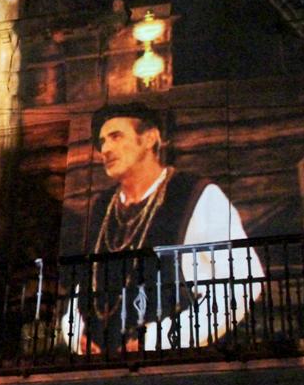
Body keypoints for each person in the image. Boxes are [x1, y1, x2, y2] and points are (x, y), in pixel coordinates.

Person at [65, 103, 262, 353]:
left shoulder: (195, 194)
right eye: (102, 141)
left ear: (149, 139)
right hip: (99, 367)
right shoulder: (103, 207)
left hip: (172, 367)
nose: (105, 149)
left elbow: (244, 281)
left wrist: (160, 340)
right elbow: (84, 284)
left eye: (116, 136)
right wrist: (76, 335)